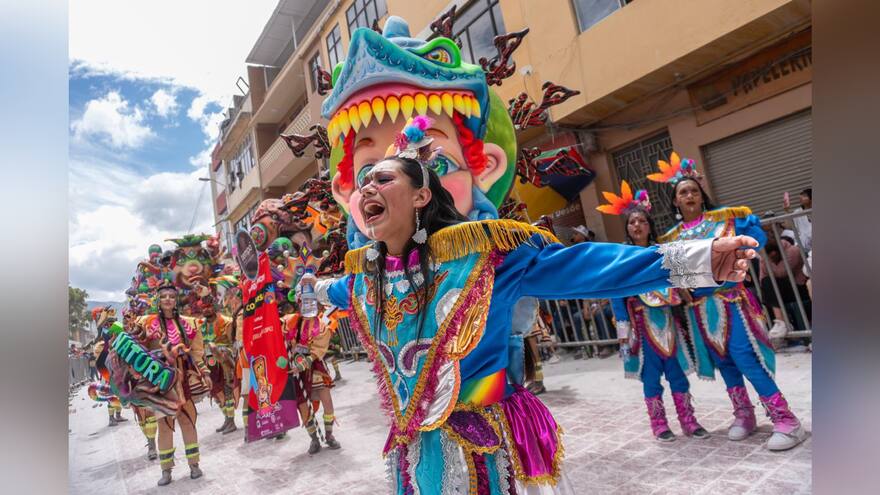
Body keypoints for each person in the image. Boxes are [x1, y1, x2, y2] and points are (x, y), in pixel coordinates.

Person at [306, 121, 757, 493]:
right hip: (414, 458)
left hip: (487, 450)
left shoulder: (484, 255)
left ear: (422, 196)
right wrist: (309, 291)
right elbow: (334, 292)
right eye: (364, 183)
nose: (367, 189)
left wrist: (697, 258)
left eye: (383, 179)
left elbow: (586, 266)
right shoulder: (368, 280)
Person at [649, 152, 808, 451]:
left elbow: (756, 239)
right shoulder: (670, 237)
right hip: (699, 309)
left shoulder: (724, 220)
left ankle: (787, 421)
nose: (690, 195)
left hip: (731, 302)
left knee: (746, 357)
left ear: (701, 195)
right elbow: (676, 275)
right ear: (675, 202)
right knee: (725, 363)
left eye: (694, 190)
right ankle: (744, 415)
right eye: (683, 192)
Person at [599, 181, 709, 441]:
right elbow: (617, 294)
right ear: (627, 228)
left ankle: (689, 420)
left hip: (669, 321)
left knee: (678, 374)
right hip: (641, 324)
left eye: (642, 221)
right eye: (632, 223)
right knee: (650, 378)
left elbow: (682, 284)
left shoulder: (665, 251)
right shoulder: (622, 257)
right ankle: (659, 424)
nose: (637, 226)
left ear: (650, 225)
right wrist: (623, 330)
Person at [136, 281, 211, 486]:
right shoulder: (146, 322)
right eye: (163, 297)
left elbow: (197, 352)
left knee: (188, 421)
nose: (167, 299)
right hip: (161, 382)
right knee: (164, 424)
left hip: (183, 380)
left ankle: (194, 465)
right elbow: (139, 349)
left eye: (171, 296)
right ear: (158, 301)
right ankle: (166, 470)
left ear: (175, 300)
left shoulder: (189, 323)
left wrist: (204, 372)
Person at [282, 305, 342, 454]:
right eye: (302, 301)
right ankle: (314, 439)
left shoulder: (321, 323)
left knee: (327, 402)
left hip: (314, 366)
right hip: (296, 370)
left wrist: (305, 362)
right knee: (303, 407)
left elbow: (318, 350)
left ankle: (329, 435)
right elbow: (276, 328)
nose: (305, 305)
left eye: (309, 301)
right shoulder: (291, 321)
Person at [759, 230, 811, 341]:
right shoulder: (765, 257)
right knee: (766, 286)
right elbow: (762, 279)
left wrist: (765, 261)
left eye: (773, 256)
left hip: (799, 288)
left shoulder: (793, 250)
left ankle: (781, 322)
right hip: (780, 291)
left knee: (769, 285)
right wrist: (765, 260)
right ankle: (780, 324)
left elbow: (781, 272)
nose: (771, 258)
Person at [784, 188, 812, 255]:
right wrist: (786, 210)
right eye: (801, 196)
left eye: (805, 196)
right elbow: (788, 226)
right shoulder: (798, 212)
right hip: (803, 248)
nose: (801, 198)